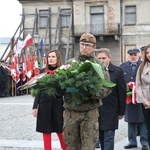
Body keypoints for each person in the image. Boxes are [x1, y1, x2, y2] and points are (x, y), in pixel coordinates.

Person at [63, 33, 112, 150]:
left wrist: (91, 93)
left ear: (94, 47)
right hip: (71, 111)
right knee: (71, 146)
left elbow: (107, 88)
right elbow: (61, 82)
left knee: (88, 146)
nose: (84, 47)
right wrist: (60, 91)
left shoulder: (98, 65)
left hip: (89, 112)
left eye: (88, 45)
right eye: (82, 44)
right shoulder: (70, 63)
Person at [32, 50, 67, 150]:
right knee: (46, 132)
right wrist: (35, 106)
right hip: (44, 106)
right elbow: (37, 90)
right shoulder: (42, 72)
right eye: (49, 57)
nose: (50, 58)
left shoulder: (63, 71)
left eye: (53, 57)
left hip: (58, 106)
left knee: (61, 131)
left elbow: (66, 91)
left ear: (58, 58)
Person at [95, 48, 126, 150]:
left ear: (109, 58)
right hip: (97, 109)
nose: (101, 60)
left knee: (109, 136)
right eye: (99, 58)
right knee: (101, 136)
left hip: (111, 109)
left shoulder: (117, 71)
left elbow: (122, 92)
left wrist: (121, 111)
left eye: (104, 58)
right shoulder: (93, 71)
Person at [120, 48, 149, 150]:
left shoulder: (144, 65)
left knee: (142, 120)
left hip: (142, 96)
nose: (133, 56)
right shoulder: (123, 66)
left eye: (135, 54)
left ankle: (144, 142)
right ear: (128, 55)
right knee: (130, 120)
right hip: (129, 97)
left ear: (138, 55)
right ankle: (132, 141)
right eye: (131, 54)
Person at [136, 44, 150, 148]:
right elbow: (138, 85)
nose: (149, 55)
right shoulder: (141, 67)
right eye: (147, 53)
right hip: (146, 102)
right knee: (149, 129)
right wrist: (144, 101)